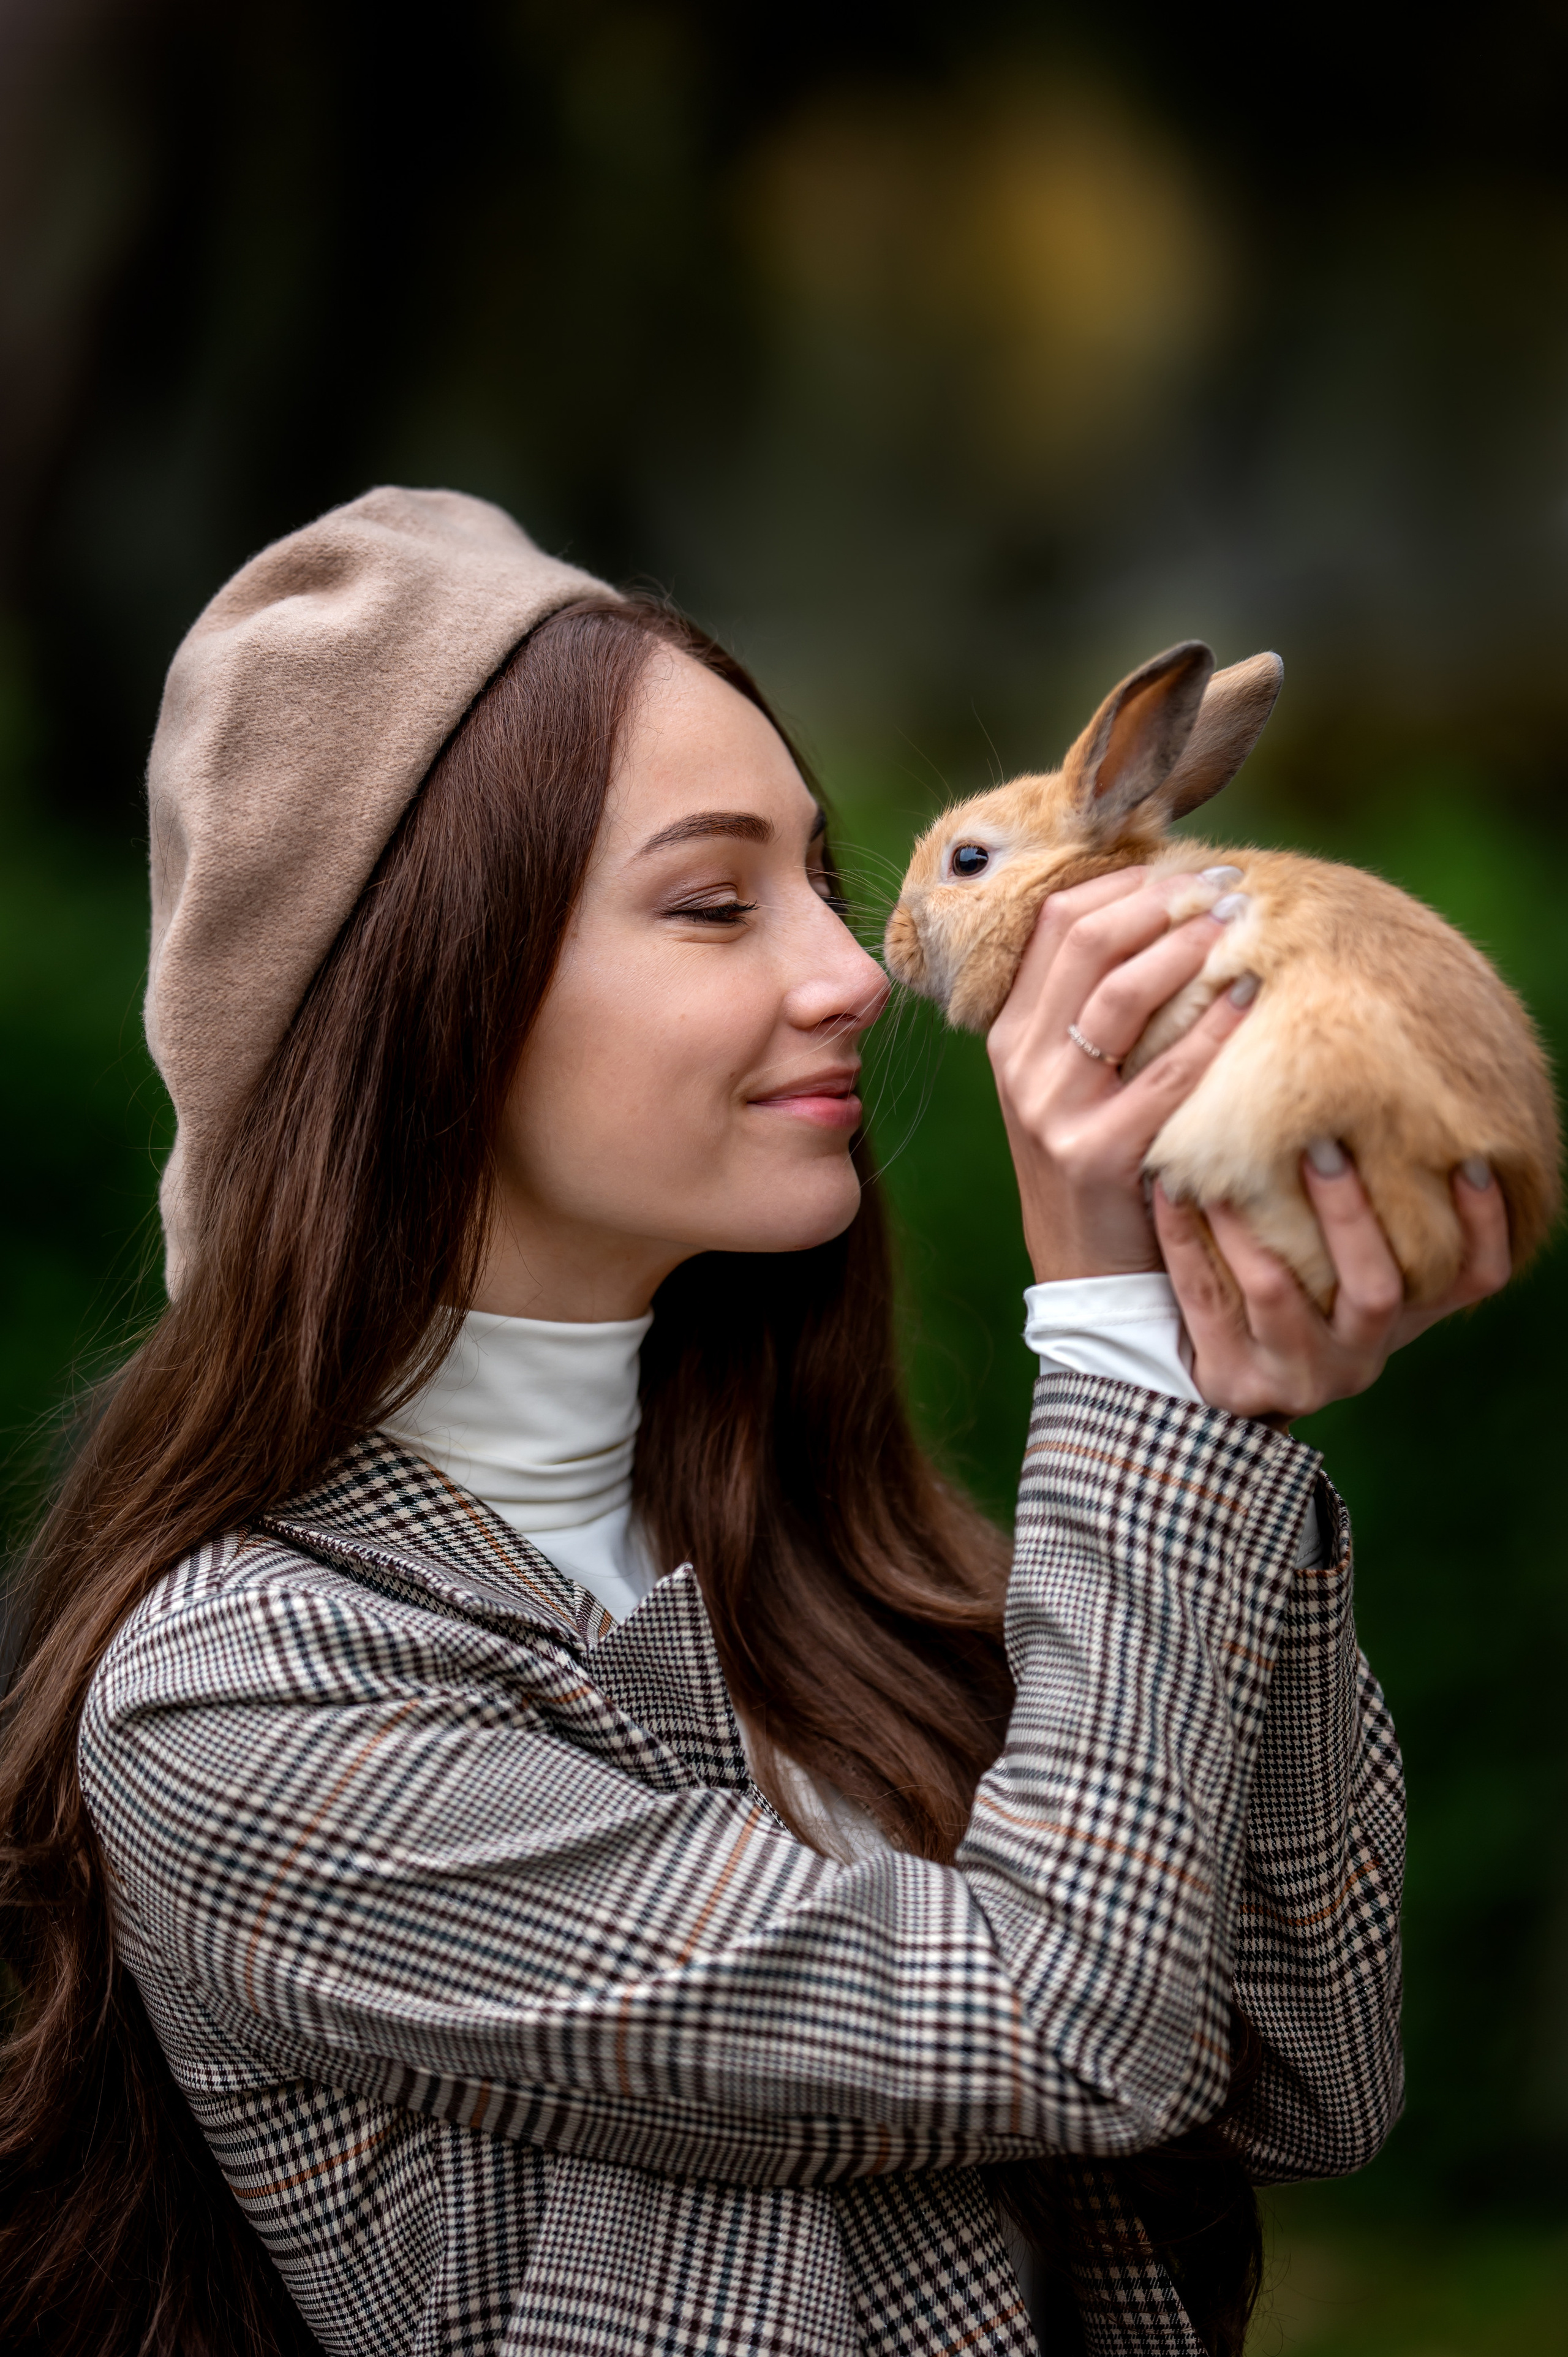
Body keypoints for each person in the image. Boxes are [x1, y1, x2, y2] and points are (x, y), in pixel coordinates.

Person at [0, 488, 1509, 2357]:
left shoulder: (832, 1554)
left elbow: (1310, 2075)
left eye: (823, 876)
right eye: (719, 903)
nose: (856, 976)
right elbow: (1069, 2022)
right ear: (426, 1001)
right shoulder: (246, 1706)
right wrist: (1116, 1343)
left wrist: (1212, 1382)